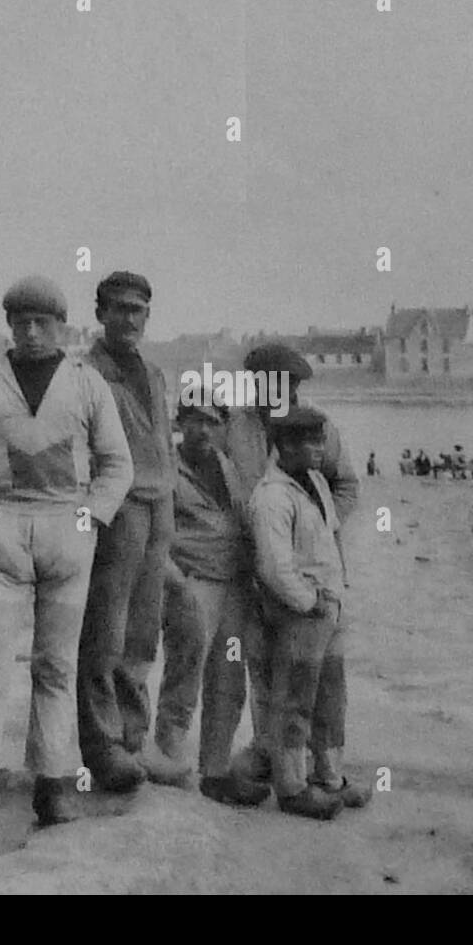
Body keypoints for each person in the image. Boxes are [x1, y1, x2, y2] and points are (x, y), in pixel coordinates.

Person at [0, 276, 132, 844]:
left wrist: (89, 520)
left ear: (62, 325)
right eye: (22, 322)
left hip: (67, 526)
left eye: (44, 322)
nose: (32, 333)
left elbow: (116, 465)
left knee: (55, 666)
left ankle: (54, 786)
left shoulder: (87, 383)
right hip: (2, 526)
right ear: (8, 324)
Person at [222, 342, 358, 785]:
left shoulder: (319, 428)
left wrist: (313, 529)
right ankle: (268, 750)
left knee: (316, 671)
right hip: (251, 566)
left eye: (288, 386)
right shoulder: (234, 426)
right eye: (268, 385)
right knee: (261, 664)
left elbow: (346, 485)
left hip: (307, 572)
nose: (278, 393)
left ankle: (320, 764)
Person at [77, 271, 177, 792]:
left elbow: (165, 442)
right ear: (100, 313)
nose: (128, 319)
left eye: (137, 310)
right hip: (117, 509)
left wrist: (171, 503)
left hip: (160, 506)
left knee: (143, 629)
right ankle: (102, 743)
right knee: (105, 630)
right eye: (118, 308)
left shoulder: (154, 374)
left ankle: (136, 738)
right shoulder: (87, 372)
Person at [247, 406, 371, 820]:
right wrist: (308, 600)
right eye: (308, 443)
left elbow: (329, 537)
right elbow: (273, 566)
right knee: (295, 700)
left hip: (328, 608)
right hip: (301, 614)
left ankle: (329, 776)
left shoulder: (315, 482)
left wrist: (331, 598)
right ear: (284, 447)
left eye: (320, 441)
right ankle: (292, 786)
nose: (319, 450)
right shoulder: (271, 497)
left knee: (331, 696)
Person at [152, 397, 268, 805]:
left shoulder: (227, 465)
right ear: (179, 422)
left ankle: (215, 771)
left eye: (212, 422)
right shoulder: (165, 465)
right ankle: (170, 761)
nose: (203, 430)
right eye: (194, 421)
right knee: (185, 672)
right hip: (192, 582)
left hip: (233, 583)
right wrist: (175, 579)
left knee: (228, 677)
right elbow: (155, 528)